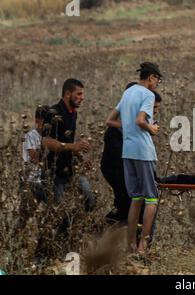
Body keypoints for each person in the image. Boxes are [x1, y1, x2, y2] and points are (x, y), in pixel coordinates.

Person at [105, 62, 163, 253]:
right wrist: (152, 128)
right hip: (143, 151)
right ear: (151, 77)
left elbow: (109, 121)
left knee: (136, 198)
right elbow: (140, 120)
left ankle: (130, 245)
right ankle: (143, 246)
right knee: (152, 199)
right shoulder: (148, 94)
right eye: (157, 80)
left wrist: (127, 126)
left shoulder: (128, 93)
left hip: (127, 152)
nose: (156, 84)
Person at [102, 82, 162, 224]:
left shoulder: (132, 125)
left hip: (126, 167)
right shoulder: (114, 133)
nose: (153, 112)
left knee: (134, 203)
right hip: (116, 169)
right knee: (128, 203)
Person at [41, 78, 95, 212]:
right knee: (59, 211)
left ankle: (78, 227)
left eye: (83, 94)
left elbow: (69, 143)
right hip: (54, 172)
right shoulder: (53, 113)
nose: (82, 98)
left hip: (71, 169)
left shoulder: (73, 113)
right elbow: (46, 141)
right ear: (67, 94)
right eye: (79, 94)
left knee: (90, 200)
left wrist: (81, 157)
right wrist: (73, 147)